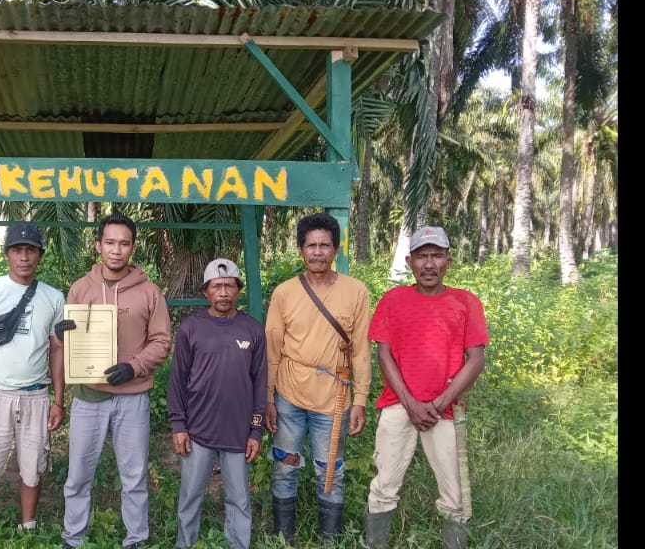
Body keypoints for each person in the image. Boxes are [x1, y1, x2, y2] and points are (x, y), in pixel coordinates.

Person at [362, 226, 488, 549]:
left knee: (455, 494)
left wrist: (438, 402)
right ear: (410, 261)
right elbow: (384, 354)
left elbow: (475, 360)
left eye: (436, 255)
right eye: (421, 256)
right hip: (397, 405)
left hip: (446, 411)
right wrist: (411, 404)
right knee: (384, 485)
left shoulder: (466, 302)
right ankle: (376, 543)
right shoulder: (394, 299)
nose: (429, 264)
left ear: (448, 260)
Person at [60, 214, 172, 549]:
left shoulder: (150, 292)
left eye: (124, 243)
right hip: (88, 397)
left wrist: (134, 366)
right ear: (99, 246)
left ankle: (135, 538)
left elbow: (162, 341)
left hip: (132, 398)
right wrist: (62, 335)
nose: (116, 250)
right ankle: (73, 537)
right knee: (78, 474)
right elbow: (71, 340)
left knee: (134, 475)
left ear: (133, 248)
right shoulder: (81, 289)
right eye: (110, 242)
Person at [265, 212, 372, 543]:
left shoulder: (356, 292)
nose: (317, 252)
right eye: (310, 245)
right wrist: (267, 398)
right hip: (289, 395)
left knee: (331, 471)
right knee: (285, 465)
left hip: (334, 398)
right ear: (300, 250)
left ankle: (330, 539)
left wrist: (360, 400)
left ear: (336, 249)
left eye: (325, 245)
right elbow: (272, 347)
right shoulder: (285, 293)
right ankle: (284, 537)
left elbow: (361, 350)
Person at [0, 223, 67, 541]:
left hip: (36, 395)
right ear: (7, 254)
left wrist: (58, 400)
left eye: (31, 250)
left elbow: (57, 350)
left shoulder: (53, 297)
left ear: (40, 255)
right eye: (18, 250)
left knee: (33, 467)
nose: (24, 257)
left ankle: (28, 528)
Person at [167, 259, 267, 549]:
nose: (223, 292)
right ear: (206, 291)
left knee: (239, 499)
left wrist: (256, 430)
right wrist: (179, 424)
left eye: (229, 285)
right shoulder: (191, 328)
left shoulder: (252, 329)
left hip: (238, 433)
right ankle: (184, 544)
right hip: (197, 431)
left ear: (238, 291)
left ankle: (239, 544)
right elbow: (177, 380)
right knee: (190, 496)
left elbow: (260, 382)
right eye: (216, 286)